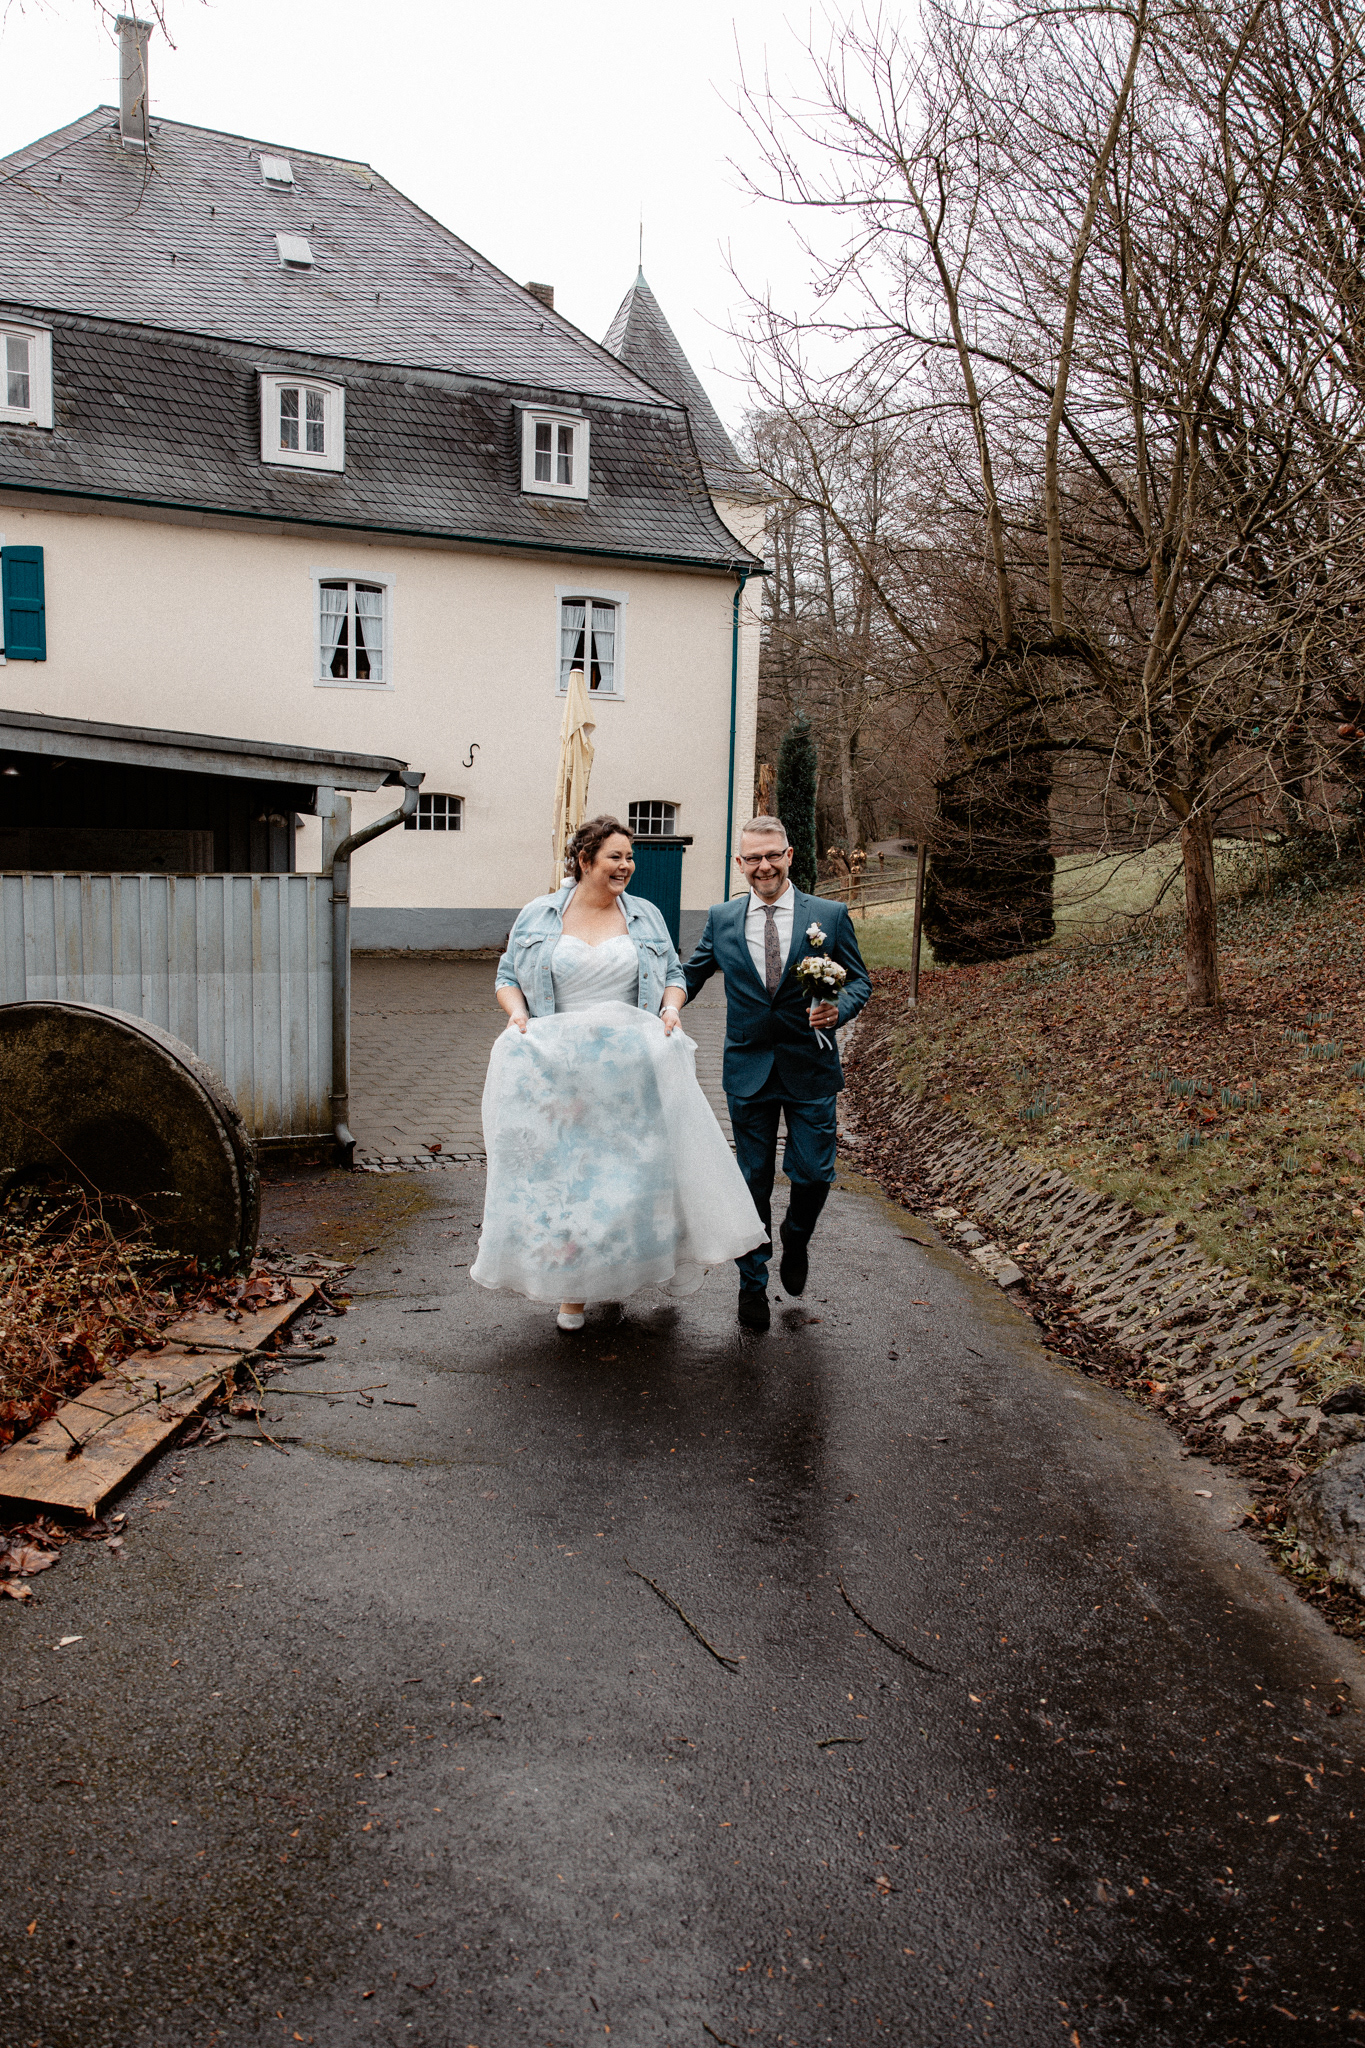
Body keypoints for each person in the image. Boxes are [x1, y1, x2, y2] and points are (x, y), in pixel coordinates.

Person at [470, 815, 766, 1330]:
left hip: (630, 1073)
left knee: (632, 1180)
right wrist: (518, 1014)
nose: (627, 866)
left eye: (630, 858)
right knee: (571, 1180)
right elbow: (506, 976)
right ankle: (574, 1290)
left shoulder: (645, 916)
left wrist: (672, 1009)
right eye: (615, 857)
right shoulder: (538, 915)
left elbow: (673, 975)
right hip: (560, 1075)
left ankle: (619, 1270)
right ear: (584, 861)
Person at [681, 815, 871, 1332]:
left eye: (773, 855)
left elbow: (858, 981)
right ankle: (752, 1284)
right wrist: (657, 1008)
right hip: (748, 1068)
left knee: (812, 1173)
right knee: (752, 1180)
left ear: (789, 856)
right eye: (752, 858)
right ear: (738, 863)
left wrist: (839, 1008)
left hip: (811, 1066)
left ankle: (798, 1235)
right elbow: (690, 975)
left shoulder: (828, 916)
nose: (763, 866)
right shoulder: (721, 919)